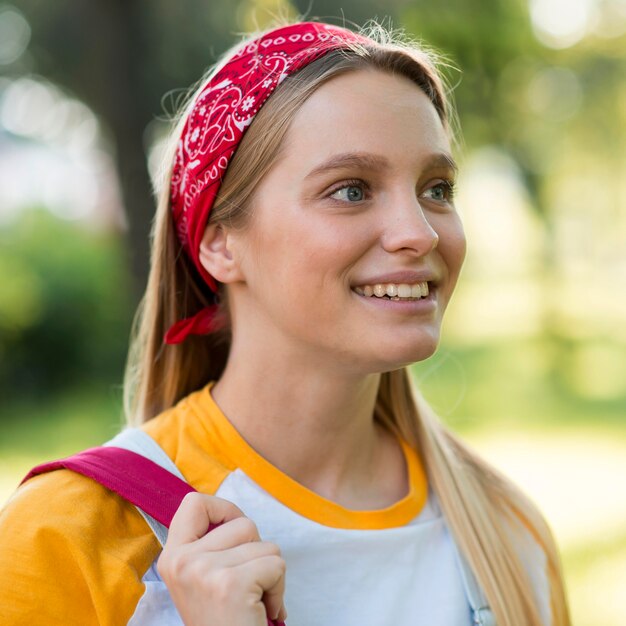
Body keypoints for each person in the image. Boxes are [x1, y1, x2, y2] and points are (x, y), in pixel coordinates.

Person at [0, 18, 571, 626]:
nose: (420, 232)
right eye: (351, 190)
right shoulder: (61, 540)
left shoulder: (508, 537)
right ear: (220, 244)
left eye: (437, 187)